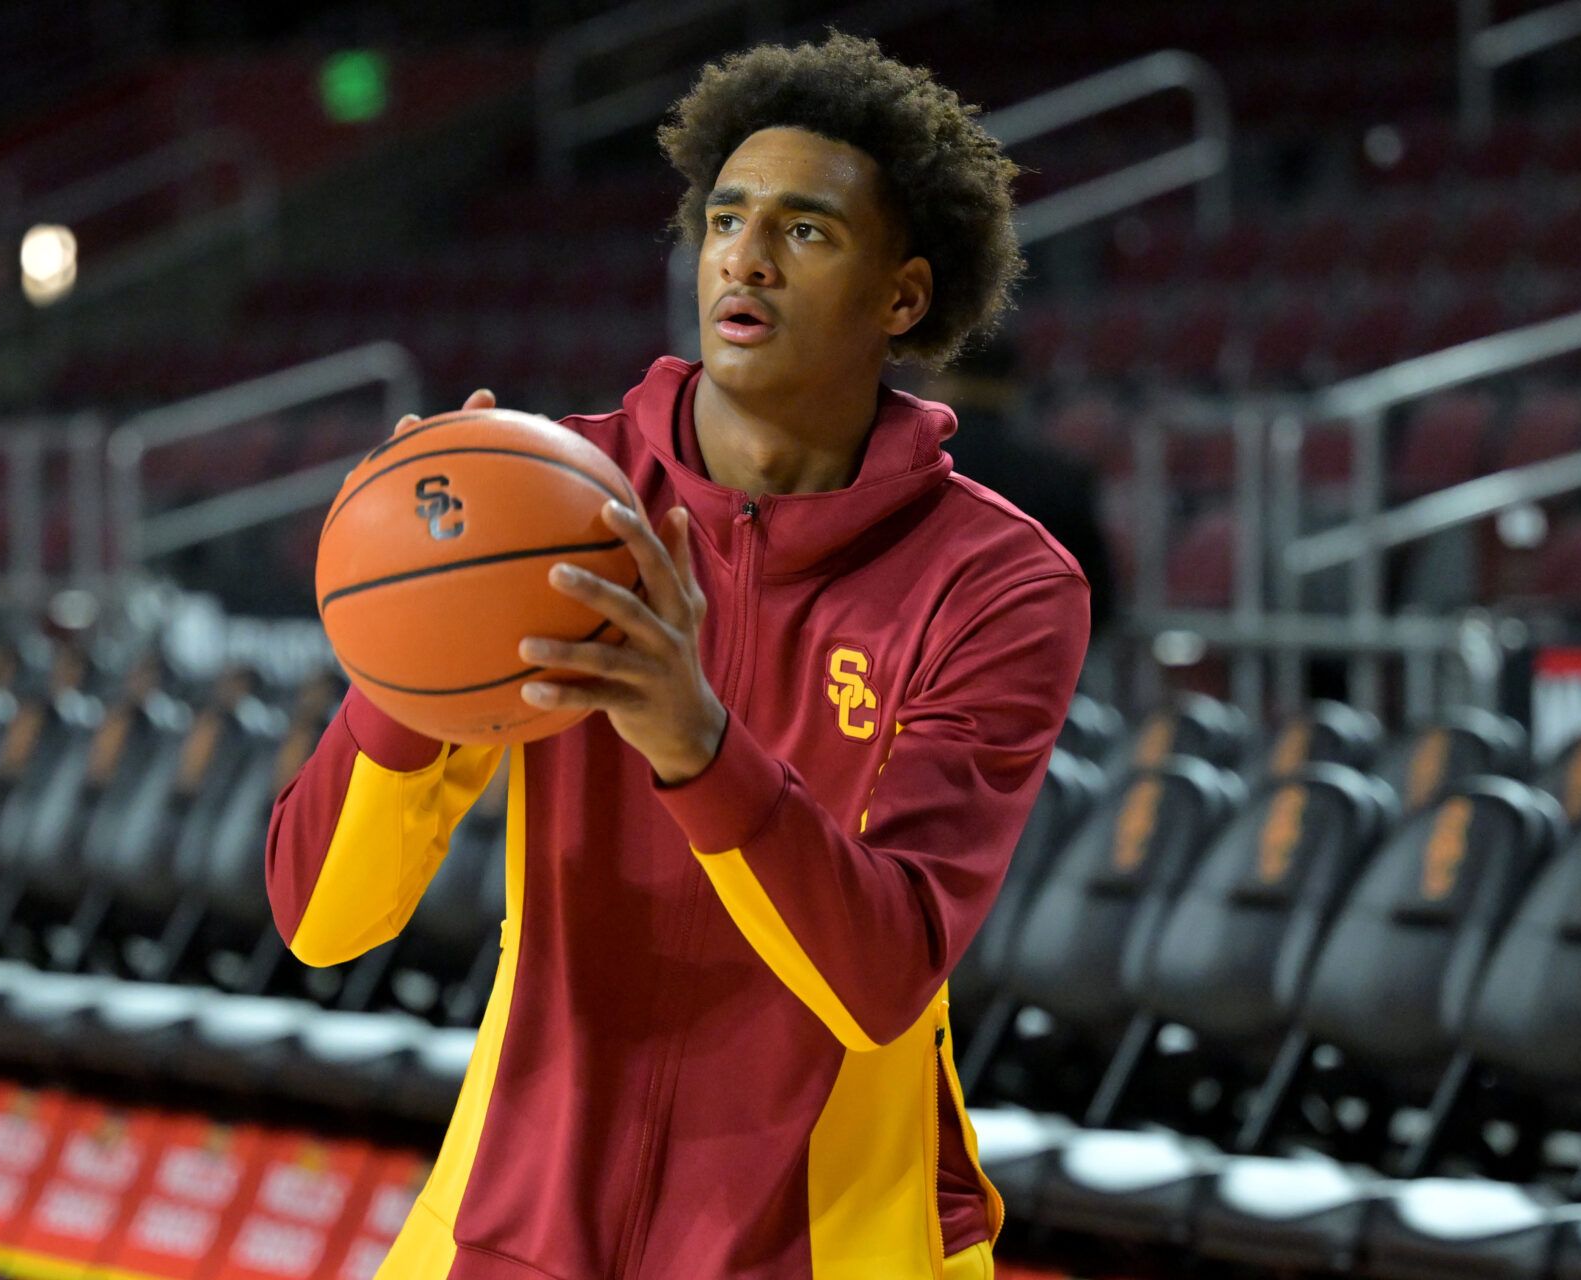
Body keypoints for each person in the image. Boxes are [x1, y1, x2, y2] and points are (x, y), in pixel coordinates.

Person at [268, 32, 1088, 1279]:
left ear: (903, 297)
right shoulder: (551, 501)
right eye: (726, 219)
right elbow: (322, 918)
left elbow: (881, 977)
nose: (746, 257)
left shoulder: (997, 583)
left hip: (829, 1248)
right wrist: (408, 641)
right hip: (515, 1232)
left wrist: (695, 742)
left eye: (806, 230)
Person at [922, 333, 1118, 636]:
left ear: (941, 380)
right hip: (1028, 649)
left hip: (923, 652)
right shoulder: (1060, 475)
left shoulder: (906, 470)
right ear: (1014, 386)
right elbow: (1097, 600)